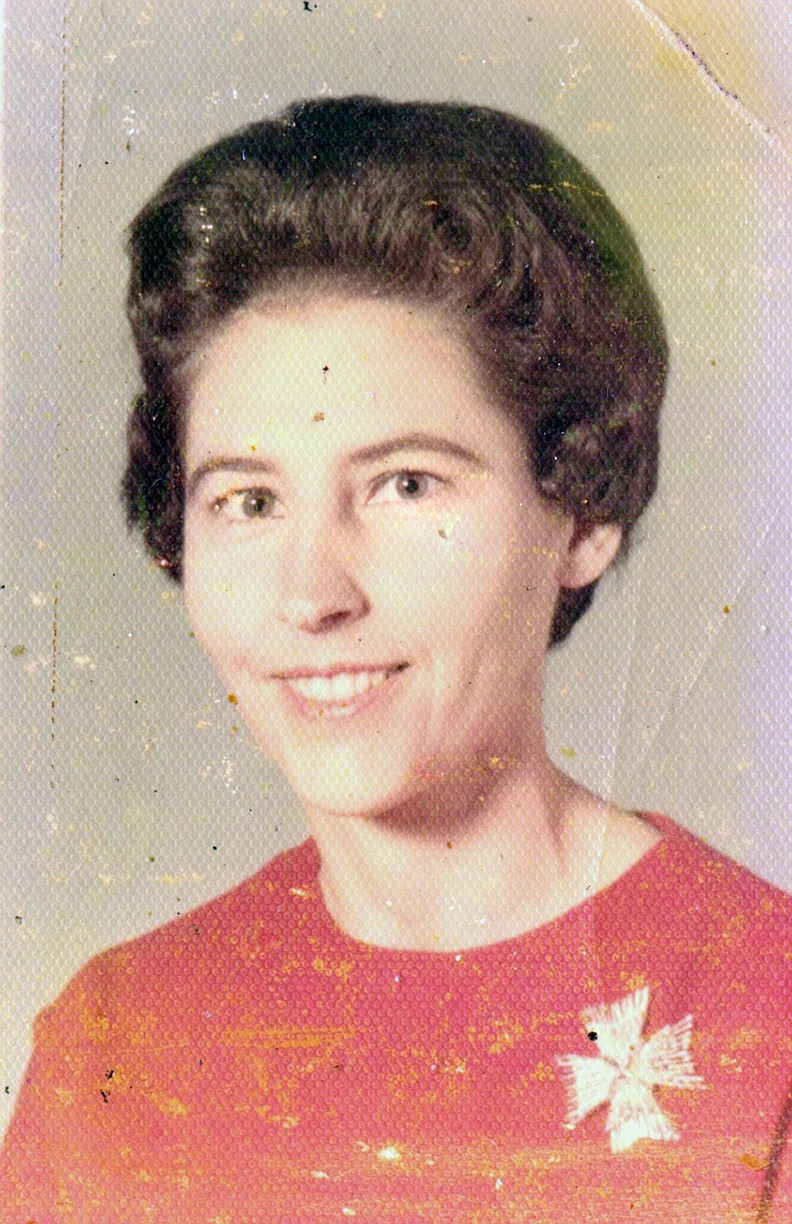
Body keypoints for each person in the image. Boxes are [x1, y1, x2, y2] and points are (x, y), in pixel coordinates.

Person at [1, 96, 789, 1222]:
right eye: (249, 500)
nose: (313, 594)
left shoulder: (767, 1021)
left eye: (405, 485)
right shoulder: (115, 1054)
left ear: (582, 511)